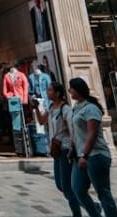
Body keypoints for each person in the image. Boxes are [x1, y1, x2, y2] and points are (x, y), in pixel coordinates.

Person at [68, 77, 117, 217]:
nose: (69, 90)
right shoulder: (77, 107)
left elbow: (92, 134)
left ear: (78, 89)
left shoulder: (91, 108)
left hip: (95, 155)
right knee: (77, 189)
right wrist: (73, 148)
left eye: (71, 87)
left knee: (103, 193)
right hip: (80, 156)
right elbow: (77, 131)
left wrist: (85, 155)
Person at [37, 80, 81, 217]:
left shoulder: (65, 109)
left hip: (65, 149)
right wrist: (36, 108)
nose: (48, 92)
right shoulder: (51, 108)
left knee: (67, 188)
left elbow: (73, 129)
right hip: (56, 150)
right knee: (60, 185)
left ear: (57, 93)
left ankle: (79, 212)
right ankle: (89, 204)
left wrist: (73, 148)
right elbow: (41, 121)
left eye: (50, 90)